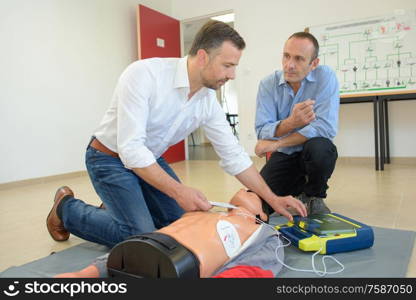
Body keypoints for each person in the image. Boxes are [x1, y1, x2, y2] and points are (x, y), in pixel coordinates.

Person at [47, 21, 306, 249]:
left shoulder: (207, 101)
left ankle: (122, 207)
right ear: (203, 57)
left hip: (149, 158)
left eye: (234, 66)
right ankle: (66, 209)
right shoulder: (143, 75)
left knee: (178, 226)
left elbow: (235, 156)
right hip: (108, 158)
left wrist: (273, 198)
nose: (232, 75)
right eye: (227, 65)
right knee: (142, 237)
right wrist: (179, 191)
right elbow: (131, 150)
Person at [55, 189, 284, 278]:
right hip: (135, 252)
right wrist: (87, 272)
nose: (243, 188)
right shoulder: (207, 213)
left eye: (251, 192)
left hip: (179, 268)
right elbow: (162, 234)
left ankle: (70, 210)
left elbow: (257, 268)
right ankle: (84, 275)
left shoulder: (263, 232)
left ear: (261, 214)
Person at [254, 32, 339, 215]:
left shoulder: (326, 77)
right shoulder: (268, 85)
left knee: (321, 149)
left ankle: (313, 196)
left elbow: (325, 127)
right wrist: (291, 122)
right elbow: (262, 130)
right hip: (285, 155)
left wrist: (277, 143)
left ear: (314, 64)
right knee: (258, 206)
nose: (289, 65)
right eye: (286, 56)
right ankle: (296, 189)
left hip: (309, 149)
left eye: (299, 59)